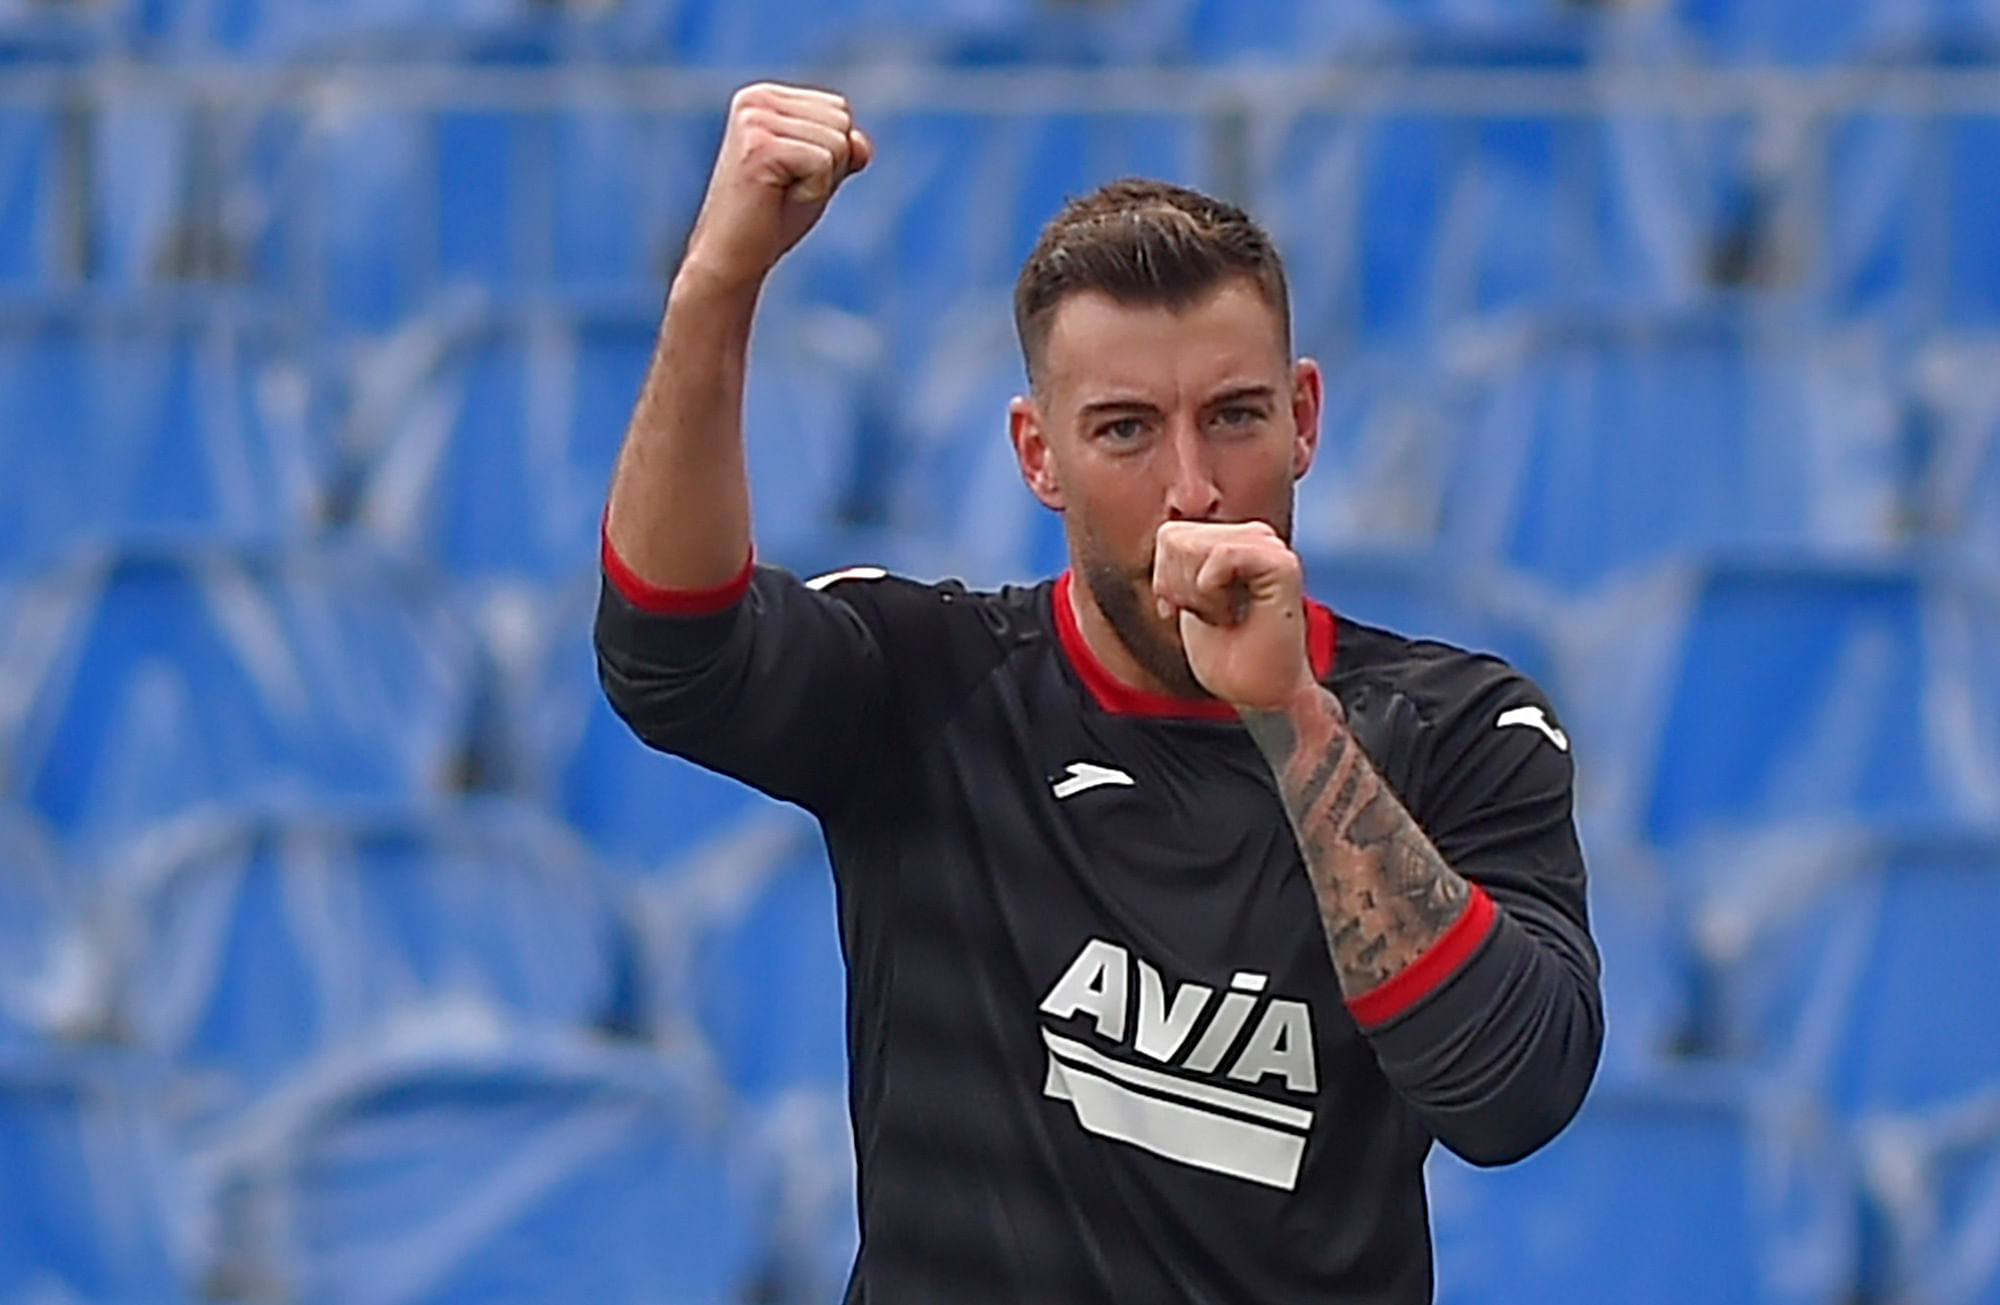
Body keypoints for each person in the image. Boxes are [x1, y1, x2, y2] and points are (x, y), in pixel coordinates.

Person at [596, 82, 1602, 1305]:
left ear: (1303, 421)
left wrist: (1288, 719)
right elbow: (667, 659)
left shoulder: (1455, 727)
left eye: (1232, 418)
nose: (1193, 490)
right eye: (1124, 431)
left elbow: (1513, 1093)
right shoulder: (928, 683)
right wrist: (716, 286)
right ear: (1038, 457)